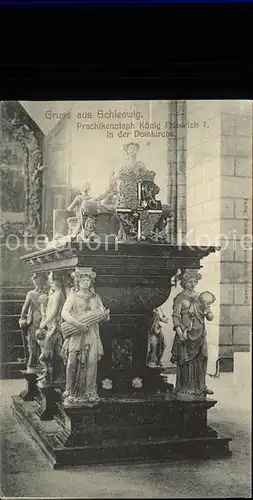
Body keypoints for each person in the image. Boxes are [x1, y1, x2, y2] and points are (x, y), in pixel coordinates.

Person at [60, 268, 110, 406]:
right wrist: (77, 324)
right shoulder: (73, 296)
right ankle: (70, 390)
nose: (86, 283)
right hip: (76, 333)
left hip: (92, 334)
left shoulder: (96, 297)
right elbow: (64, 313)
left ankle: (90, 391)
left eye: (88, 280)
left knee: (91, 362)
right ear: (78, 281)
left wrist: (105, 316)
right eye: (83, 280)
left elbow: (102, 313)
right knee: (72, 362)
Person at [171, 269, 215, 396]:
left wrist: (208, 310)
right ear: (184, 283)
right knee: (185, 361)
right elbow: (175, 316)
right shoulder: (179, 298)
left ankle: (201, 386)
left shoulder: (200, 297)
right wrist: (179, 331)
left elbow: (210, 317)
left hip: (200, 332)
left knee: (203, 357)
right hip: (185, 333)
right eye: (190, 281)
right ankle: (184, 386)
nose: (193, 284)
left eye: (195, 281)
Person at [36, 273, 65, 383]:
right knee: (47, 350)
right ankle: (47, 374)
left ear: (57, 282)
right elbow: (48, 311)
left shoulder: (58, 294)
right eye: (50, 281)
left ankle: (55, 376)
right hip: (50, 325)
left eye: (52, 281)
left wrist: (43, 324)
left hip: (55, 326)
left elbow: (54, 313)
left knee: (54, 353)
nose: (50, 283)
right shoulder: (53, 293)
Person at [18, 274, 47, 374]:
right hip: (38, 319)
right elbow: (25, 308)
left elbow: (25, 308)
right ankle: (35, 363)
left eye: (37, 280)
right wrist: (22, 318)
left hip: (41, 319)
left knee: (37, 342)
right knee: (35, 342)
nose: (36, 282)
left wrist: (22, 318)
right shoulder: (33, 293)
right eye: (35, 281)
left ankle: (37, 363)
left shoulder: (35, 293)